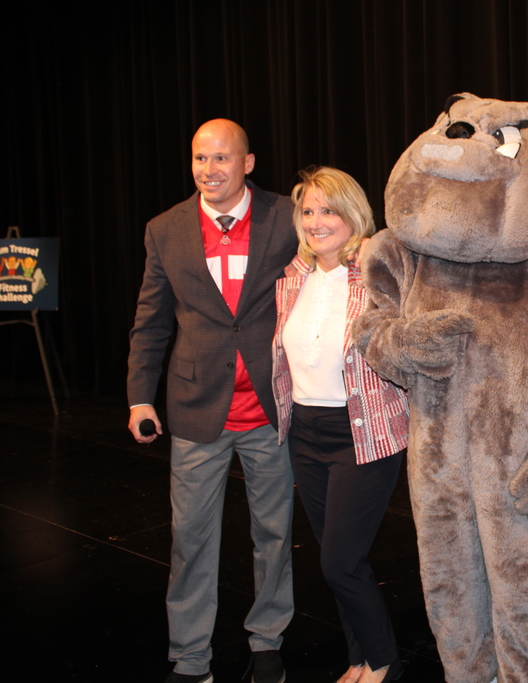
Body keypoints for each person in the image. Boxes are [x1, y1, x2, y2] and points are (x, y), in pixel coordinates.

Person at [127, 118, 297, 683]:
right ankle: (190, 656)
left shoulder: (286, 216)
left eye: (222, 158)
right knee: (191, 539)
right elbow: (150, 321)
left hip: (270, 409)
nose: (209, 169)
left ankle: (268, 640)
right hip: (197, 408)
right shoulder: (165, 229)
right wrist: (139, 398)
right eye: (201, 158)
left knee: (274, 535)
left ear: (247, 163)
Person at [271, 166, 409, 683]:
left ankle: (386, 661)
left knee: (340, 562)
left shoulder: (378, 274)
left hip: (362, 434)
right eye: (308, 211)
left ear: (353, 215)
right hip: (305, 433)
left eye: (328, 210)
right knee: (339, 562)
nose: (316, 221)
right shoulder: (292, 279)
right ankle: (361, 657)